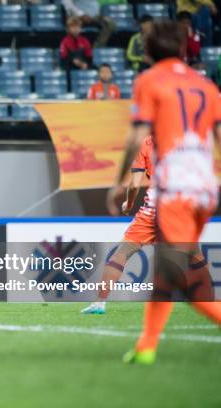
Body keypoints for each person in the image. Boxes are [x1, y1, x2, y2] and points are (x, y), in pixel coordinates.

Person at [106, 20, 221, 364]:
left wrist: (118, 182)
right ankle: (146, 347)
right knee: (171, 271)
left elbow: (136, 135)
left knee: (181, 282)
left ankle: (147, 346)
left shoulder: (150, 80)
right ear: (184, 48)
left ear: (149, 49)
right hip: (206, 191)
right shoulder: (207, 86)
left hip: (176, 192)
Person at [82, 136, 213, 314]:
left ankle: (99, 303)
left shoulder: (146, 143)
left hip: (152, 210)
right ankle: (211, 305)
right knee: (195, 257)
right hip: (180, 208)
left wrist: (128, 204)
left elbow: (135, 185)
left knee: (121, 253)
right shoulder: (186, 140)